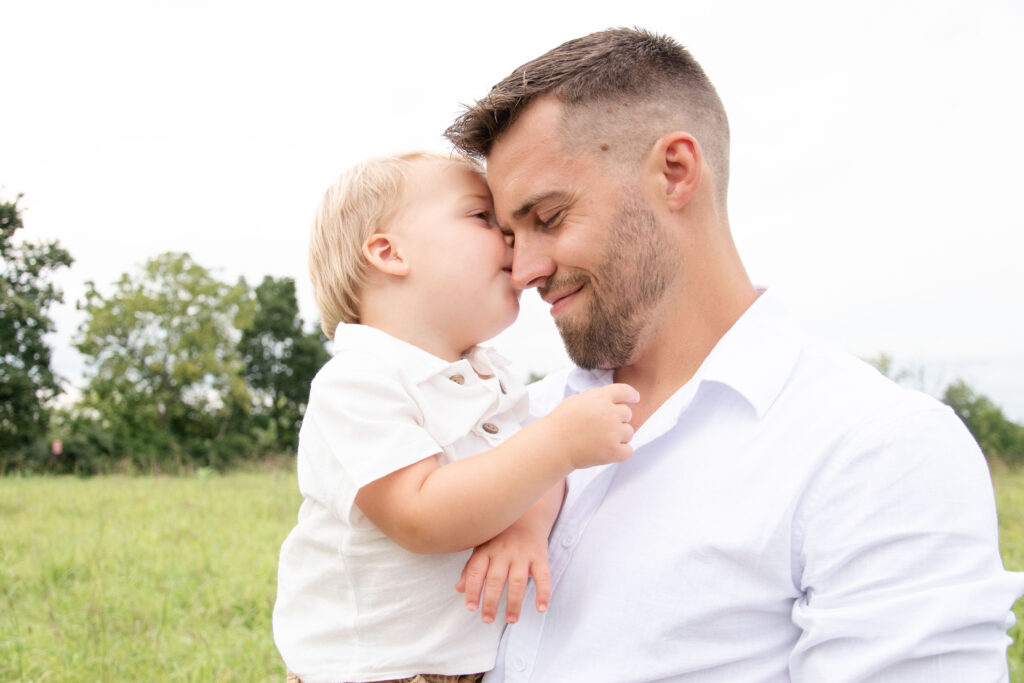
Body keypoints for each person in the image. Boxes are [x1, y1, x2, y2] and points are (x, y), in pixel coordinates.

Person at [444, 27, 1024, 682]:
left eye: (548, 217)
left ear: (676, 172)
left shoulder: (877, 450)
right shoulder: (509, 425)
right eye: (509, 234)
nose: (523, 268)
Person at [272, 151, 638, 683]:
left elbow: (535, 476)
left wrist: (525, 528)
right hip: (370, 673)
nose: (512, 238)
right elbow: (419, 515)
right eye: (481, 217)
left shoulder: (492, 377)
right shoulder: (357, 382)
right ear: (389, 252)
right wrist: (556, 443)